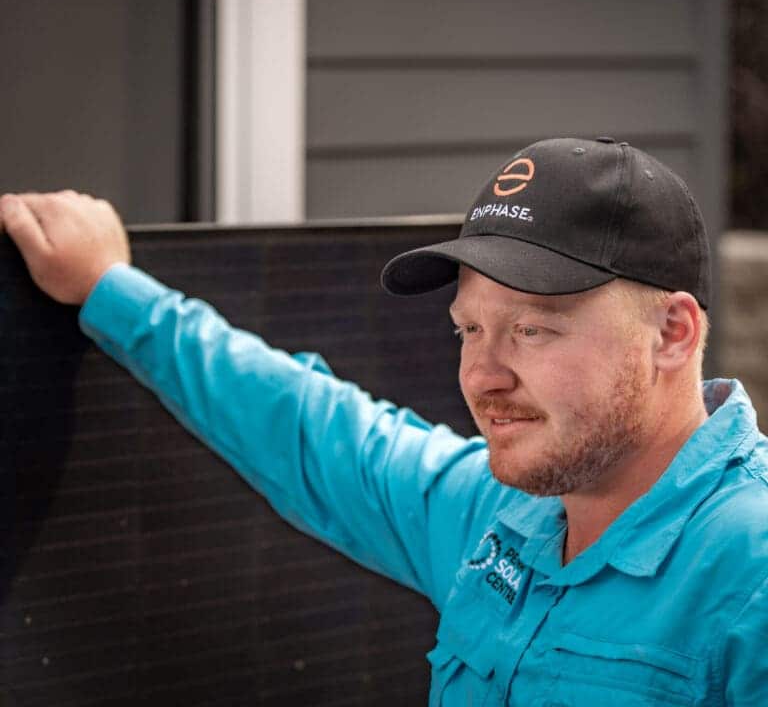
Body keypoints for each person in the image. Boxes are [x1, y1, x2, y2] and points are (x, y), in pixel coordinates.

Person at [1, 137, 766, 706]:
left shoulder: (749, 572)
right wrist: (110, 287)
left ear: (672, 333)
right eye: (468, 330)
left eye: (533, 330)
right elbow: (308, 425)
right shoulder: (502, 514)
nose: (483, 377)